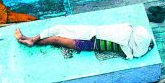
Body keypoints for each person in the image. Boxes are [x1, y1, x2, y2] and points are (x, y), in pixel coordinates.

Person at [14, 23, 153, 59]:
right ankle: (30, 39)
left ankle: (31, 40)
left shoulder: (125, 34)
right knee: (57, 37)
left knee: (57, 36)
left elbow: (127, 27)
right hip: (90, 41)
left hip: (89, 41)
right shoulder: (128, 49)